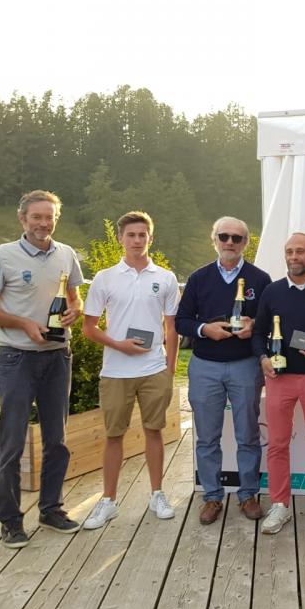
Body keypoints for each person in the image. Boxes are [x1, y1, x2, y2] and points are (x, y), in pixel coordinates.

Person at [0, 189, 84, 548]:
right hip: (17, 358)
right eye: (37, 216)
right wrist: (22, 324)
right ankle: (10, 521)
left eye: (49, 217)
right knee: (11, 443)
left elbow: (75, 298)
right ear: (22, 219)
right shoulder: (3, 255)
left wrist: (75, 311)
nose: (43, 223)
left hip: (58, 356)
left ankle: (51, 510)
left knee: (57, 441)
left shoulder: (66, 254)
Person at [81, 211, 180, 529]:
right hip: (115, 371)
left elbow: (172, 328)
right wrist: (118, 345)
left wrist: (169, 368)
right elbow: (88, 327)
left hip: (154, 369)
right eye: (131, 235)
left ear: (151, 238)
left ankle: (157, 494)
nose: (137, 240)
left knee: (154, 431)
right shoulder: (104, 278)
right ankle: (108, 501)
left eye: (142, 235)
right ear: (120, 238)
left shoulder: (165, 278)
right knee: (114, 436)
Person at [175, 217, 271, 525]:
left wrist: (255, 326)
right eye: (224, 236)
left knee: (248, 434)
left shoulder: (260, 279)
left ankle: (248, 494)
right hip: (205, 366)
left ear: (246, 243)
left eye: (237, 238)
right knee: (207, 437)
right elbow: (182, 321)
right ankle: (212, 496)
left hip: (245, 365)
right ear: (214, 239)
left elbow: (270, 321)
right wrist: (205, 329)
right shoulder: (198, 278)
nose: (230, 242)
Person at [252, 233, 305, 533]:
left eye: (300, 251)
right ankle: (280, 504)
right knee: (277, 443)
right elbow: (258, 333)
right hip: (280, 378)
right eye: (289, 251)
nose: (294, 256)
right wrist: (263, 358)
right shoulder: (272, 291)